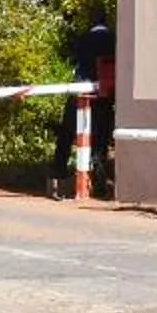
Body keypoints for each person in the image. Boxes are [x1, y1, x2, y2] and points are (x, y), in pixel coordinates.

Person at [54, 19, 115, 197]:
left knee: (67, 132)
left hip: (80, 88)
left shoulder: (84, 38)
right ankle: (99, 180)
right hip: (104, 93)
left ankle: (59, 170)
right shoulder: (114, 38)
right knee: (100, 139)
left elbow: (75, 59)